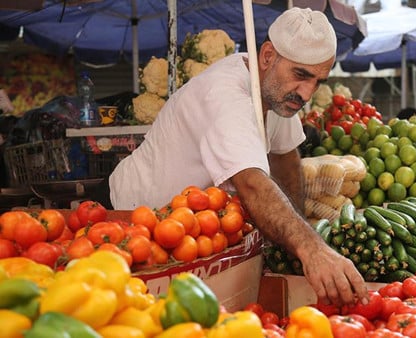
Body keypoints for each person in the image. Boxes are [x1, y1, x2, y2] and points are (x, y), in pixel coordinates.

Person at [109, 8, 368, 306]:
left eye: (318, 81)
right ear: (268, 55)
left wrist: (293, 241)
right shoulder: (226, 95)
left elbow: (286, 158)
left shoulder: (276, 90)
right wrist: (312, 250)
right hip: (131, 218)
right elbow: (253, 183)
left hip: (189, 233)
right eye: (301, 75)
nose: (307, 93)